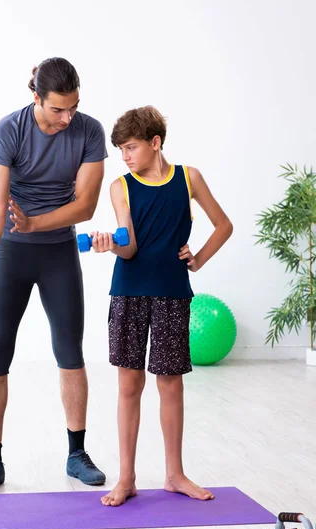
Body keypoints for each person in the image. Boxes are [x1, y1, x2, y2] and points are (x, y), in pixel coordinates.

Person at [0, 57, 107, 494]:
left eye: (74, 107)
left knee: (69, 349)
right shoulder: (9, 131)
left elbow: (85, 206)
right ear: (36, 97)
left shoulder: (89, 131)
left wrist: (36, 224)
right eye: (58, 109)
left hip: (58, 250)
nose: (67, 118)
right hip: (10, 252)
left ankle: (77, 452)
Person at [88, 106, 233, 506]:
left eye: (131, 147)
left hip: (172, 293)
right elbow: (130, 246)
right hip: (128, 293)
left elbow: (224, 225)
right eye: (120, 149)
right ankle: (127, 478)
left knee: (170, 384)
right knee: (129, 385)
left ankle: (174, 474)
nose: (125, 156)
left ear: (156, 143)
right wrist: (109, 243)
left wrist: (198, 259)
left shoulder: (189, 178)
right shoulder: (121, 186)